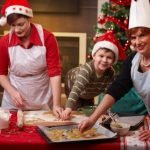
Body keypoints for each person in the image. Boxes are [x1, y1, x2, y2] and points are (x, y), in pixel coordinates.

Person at [78, 0, 150, 141]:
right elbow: (115, 90)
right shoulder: (133, 61)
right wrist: (93, 119)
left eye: (142, 35)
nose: (137, 42)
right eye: (133, 37)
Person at [0, 0, 63, 117]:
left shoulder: (48, 38)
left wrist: (57, 104)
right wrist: (12, 92)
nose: (17, 30)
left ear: (29, 19)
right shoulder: (4, 42)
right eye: (13, 26)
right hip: (14, 101)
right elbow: (1, 74)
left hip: (42, 99)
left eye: (20, 24)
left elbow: (55, 73)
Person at [61, 31, 126, 120]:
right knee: (76, 110)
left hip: (89, 91)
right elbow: (76, 90)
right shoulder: (86, 70)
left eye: (109, 57)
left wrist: (106, 110)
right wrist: (68, 108)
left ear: (114, 60)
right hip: (73, 84)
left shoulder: (111, 73)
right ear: (94, 56)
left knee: (88, 110)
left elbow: (108, 94)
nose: (104, 60)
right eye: (101, 56)